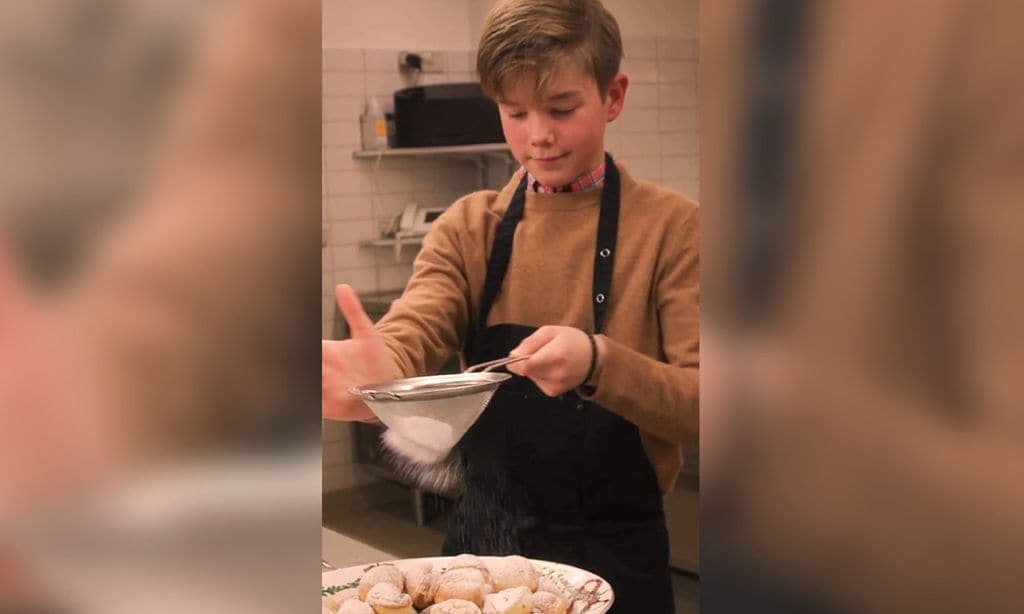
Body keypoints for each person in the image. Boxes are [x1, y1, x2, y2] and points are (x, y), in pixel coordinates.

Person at [322, 0, 698, 611]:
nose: (538, 135)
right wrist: (381, 374)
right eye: (515, 112)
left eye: (561, 109)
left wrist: (599, 363)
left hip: (617, 550)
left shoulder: (673, 231)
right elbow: (416, 323)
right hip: (485, 555)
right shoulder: (470, 227)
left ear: (614, 95)